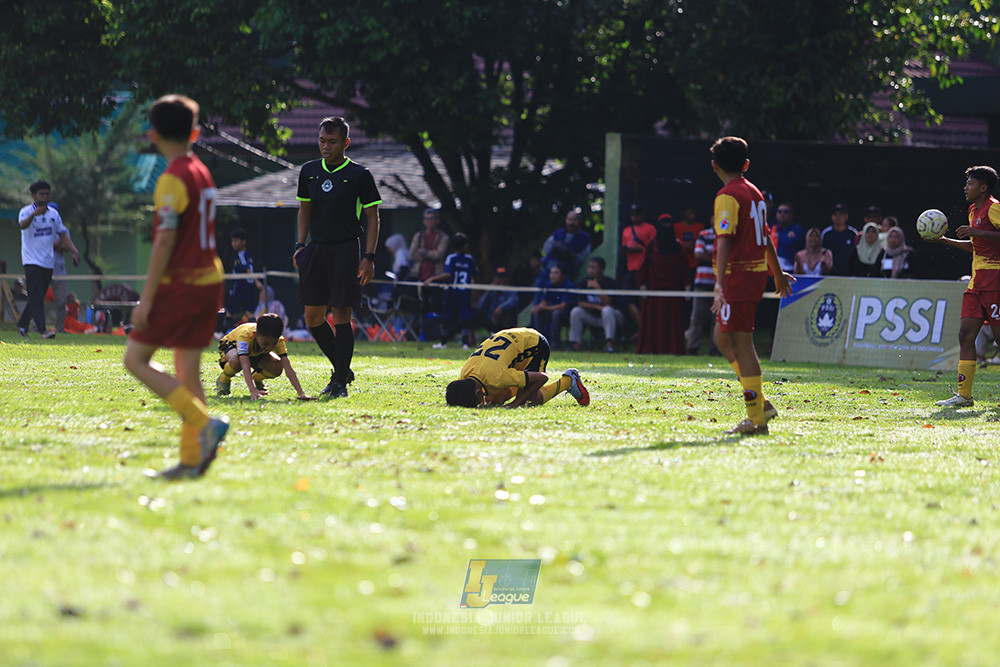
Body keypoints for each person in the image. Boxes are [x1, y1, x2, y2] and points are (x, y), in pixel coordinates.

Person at [121, 94, 229, 479]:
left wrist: (146, 299)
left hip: (182, 284)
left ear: (152, 135)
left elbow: (165, 241)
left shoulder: (171, 178)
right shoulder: (201, 170)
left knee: (134, 360)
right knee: (188, 373)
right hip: (210, 281)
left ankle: (204, 424)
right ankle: (190, 461)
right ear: (195, 133)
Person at [708, 136, 793, 435]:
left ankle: (756, 417)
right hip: (752, 275)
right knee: (722, 338)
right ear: (745, 164)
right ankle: (762, 404)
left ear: (714, 166)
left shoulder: (727, 196)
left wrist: (719, 284)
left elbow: (725, 241)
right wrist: (777, 273)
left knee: (742, 345)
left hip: (739, 277)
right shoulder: (755, 193)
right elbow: (766, 235)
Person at [294, 116, 381, 399]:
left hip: (346, 249)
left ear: (345, 143)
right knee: (313, 317)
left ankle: (339, 383)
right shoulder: (308, 171)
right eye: (321, 141)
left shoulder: (359, 175)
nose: (325, 146)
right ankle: (342, 369)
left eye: (332, 142)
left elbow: (372, 216)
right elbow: (304, 209)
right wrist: (300, 245)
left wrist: (368, 256)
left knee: (341, 314)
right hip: (316, 248)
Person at [929, 165, 1000, 408]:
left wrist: (976, 231)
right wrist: (946, 240)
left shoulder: (994, 207)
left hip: (995, 282)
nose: (966, 187)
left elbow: (981, 235)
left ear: (983, 187)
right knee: (965, 335)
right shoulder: (972, 210)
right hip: (976, 283)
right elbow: (976, 245)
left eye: (970, 183)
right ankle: (964, 396)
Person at [444, 327, 590, 408]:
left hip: (534, 344)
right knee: (494, 400)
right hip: (512, 341)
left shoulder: (498, 377)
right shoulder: (465, 373)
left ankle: (568, 380)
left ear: (477, 392)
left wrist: (515, 403)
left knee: (531, 400)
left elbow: (542, 378)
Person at [17, 180, 80, 339]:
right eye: (41, 194)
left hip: (47, 262)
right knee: (37, 296)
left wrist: (74, 250)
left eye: (46, 194)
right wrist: (33, 215)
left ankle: (22, 325)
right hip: (31, 261)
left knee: (35, 296)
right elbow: (22, 225)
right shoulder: (26, 211)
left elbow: (63, 234)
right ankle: (43, 330)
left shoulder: (53, 214)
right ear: (34, 195)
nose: (44, 197)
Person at [215, 313, 313, 401]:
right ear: (255, 334)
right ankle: (224, 379)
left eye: (273, 343)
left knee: (277, 367)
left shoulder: (279, 340)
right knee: (237, 361)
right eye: (266, 343)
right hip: (231, 346)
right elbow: (245, 365)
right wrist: (252, 390)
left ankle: (256, 379)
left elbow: (288, 367)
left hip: (254, 352)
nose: (269, 347)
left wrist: (301, 393)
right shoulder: (246, 336)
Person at [637, 215, 690, 354]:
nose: (666, 228)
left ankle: (672, 349)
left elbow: (684, 267)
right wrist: (642, 285)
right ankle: (652, 349)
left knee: (672, 321)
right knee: (654, 320)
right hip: (654, 291)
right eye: (663, 224)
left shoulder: (678, 246)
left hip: (673, 291)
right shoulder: (652, 245)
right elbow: (644, 265)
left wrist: (687, 286)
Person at [424, 232, 478, 349]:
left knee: (447, 317)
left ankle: (443, 343)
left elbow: (448, 274)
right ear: (463, 246)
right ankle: (465, 343)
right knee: (464, 318)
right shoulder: (469, 259)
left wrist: (432, 279)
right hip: (465, 293)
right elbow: (473, 275)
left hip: (453, 293)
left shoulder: (451, 258)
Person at [569, 257, 624, 353]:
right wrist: (598, 307)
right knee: (576, 311)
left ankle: (610, 345)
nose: (590, 270)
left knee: (606, 310)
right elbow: (581, 303)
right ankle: (576, 344)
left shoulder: (610, 283)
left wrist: (597, 288)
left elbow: (608, 304)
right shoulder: (584, 283)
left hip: (614, 317)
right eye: (589, 267)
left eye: (594, 268)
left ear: (602, 270)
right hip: (595, 317)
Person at [620, 202, 657, 331]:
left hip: (644, 270)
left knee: (644, 300)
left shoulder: (650, 229)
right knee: (628, 300)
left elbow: (653, 249)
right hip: (630, 269)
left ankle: (648, 329)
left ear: (642, 215)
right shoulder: (626, 231)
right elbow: (623, 250)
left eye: (637, 215)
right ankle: (643, 329)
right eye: (632, 215)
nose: (635, 218)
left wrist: (639, 249)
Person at [410, 208, 450, 320]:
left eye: (432, 219)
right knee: (419, 306)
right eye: (427, 219)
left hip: (436, 277)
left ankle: (433, 332)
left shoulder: (443, 237)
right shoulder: (419, 236)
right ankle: (420, 332)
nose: (429, 221)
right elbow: (412, 254)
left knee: (435, 307)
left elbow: (439, 255)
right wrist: (431, 253)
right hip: (419, 276)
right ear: (424, 221)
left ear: (437, 220)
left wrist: (422, 251)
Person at [685, 223, 719, 355]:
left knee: (717, 319)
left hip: (719, 284)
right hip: (702, 282)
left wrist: (710, 254)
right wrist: (718, 259)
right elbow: (698, 254)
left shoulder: (728, 236)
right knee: (697, 316)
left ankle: (715, 349)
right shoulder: (704, 234)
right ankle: (693, 347)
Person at [530, 264, 576, 349]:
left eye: (556, 273)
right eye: (551, 273)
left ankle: (555, 343)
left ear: (563, 275)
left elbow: (563, 306)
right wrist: (538, 307)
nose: (552, 276)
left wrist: (544, 307)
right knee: (538, 313)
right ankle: (539, 342)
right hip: (553, 310)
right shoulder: (548, 285)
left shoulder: (569, 285)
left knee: (556, 314)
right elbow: (543, 303)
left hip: (567, 313)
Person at [541, 209, 592, 281]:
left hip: (567, 273)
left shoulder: (585, 238)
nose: (571, 222)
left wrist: (571, 255)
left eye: (574, 220)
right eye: (569, 219)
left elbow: (584, 260)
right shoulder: (558, 233)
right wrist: (556, 247)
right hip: (548, 270)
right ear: (566, 220)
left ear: (579, 222)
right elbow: (545, 250)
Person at [471, 266, 519, 339]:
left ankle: (506, 337)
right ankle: (470, 340)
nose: (501, 280)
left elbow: (513, 301)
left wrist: (501, 307)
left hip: (504, 321)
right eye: (499, 278)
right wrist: (487, 292)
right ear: (494, 279)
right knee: (473, 312)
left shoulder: (511, 290)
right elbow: (479, 307)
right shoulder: (491, 292)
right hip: (491, 320)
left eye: (503, 277)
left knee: (509, 313)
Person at [225, 228, 259, 329]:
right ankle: (257, 330)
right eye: (232, 241)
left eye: (236, 241)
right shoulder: (245, 254)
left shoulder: (243, 255)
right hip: (246, 287)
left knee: (230, 311)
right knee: (248, 311)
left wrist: (257, 282)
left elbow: (248, 269)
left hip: (240, 287)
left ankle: (222, 332)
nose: (233, 243)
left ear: (243, 242)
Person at [821, 203, 858, 276]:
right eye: (835, 214)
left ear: (846, 216)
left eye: (840, 214)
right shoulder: (826, 234)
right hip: (830, 275)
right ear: (831, 217)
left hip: (849, 274)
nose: (838, 217)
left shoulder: (853, 233)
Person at [770, 202, 806, 273]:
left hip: (791, 270)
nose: (782, 214)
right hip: (773, 271)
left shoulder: (798, 230)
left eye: (785, 212)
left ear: (791, 215)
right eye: (779, 212)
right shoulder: (771, 230)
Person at [52, 227, 74, 334]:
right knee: (37, 299)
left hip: (59, 270)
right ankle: (36, 327)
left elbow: (67, 247)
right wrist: (60, 242)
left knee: (61, 301)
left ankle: (59, 328)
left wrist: (55, 244)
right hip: (43, 267)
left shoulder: (64, 230)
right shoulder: (41, 228)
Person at [673, 207, 705, 281]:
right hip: (680, 263)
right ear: (685, 213)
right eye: (690, 213)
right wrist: (682, 245)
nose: (693, 215)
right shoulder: (676, 227)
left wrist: (694, 245)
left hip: (695, 264)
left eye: (694, 213)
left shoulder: (700, 227)